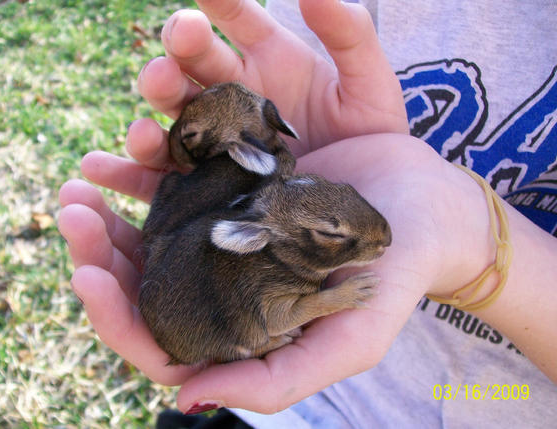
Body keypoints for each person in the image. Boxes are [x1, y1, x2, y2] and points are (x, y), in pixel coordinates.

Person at [58, 0, 557, 426]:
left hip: (495, 407)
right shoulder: (267, 229)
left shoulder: (280, 231)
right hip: (305, 406)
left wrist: (479, 241)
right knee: (242, 324)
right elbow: (275, 301)